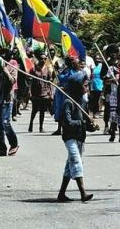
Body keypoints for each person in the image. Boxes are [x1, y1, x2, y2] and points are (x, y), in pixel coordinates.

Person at [56, 72, 94, 203]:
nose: (87, 88)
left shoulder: (82, 102)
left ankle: (61, 194)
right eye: (85, 86)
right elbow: (67, 122)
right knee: (76, 161)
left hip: (80, 137)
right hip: (70, 138)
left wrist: (91, 126)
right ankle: (83, 193)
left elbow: (85, 122)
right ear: (77, 87)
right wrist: (82, 123)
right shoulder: (68, 102)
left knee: (69, 166)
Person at [0, 50, 19, 157]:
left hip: (6, 100)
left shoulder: (12, 66)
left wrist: (4, 69)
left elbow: (12, 81)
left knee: (5, 123)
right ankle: (1, 148)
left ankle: (14, 144)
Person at [29, 52, 54, 133]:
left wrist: (50, 93)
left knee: (42, 111)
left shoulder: (47, 69)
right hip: (35, 93)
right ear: (39, 59)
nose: (43, 60)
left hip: (45, 93)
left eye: (44, 59)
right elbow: (30, 81)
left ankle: (41, 127)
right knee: (34, 110)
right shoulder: (33, 69)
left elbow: (50, 81)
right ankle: (31, 123)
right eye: (41, 58)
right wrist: (29, 92)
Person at [89, 54, 105, 119]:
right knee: (92, 100)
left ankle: (97, 112)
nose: (97, 61)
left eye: (99, 59)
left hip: (100, 85)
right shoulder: (92, 66)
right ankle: (92, 113)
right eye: (96, 59)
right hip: (92, 84)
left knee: (98, 100)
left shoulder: (102, 66)